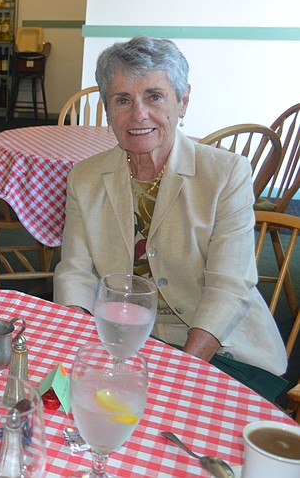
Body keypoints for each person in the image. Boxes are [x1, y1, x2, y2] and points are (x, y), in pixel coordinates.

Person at [53, 36, 288, 399]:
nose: (138, 115)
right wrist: (80, 348)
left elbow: (228, 286)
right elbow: (76, 273)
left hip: (221, 348)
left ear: (183, 101)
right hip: (123, 341)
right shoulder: (85, 177)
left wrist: (180, 374)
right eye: (122, 100)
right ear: (107, 109)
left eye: (155, 97)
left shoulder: (226, 174)